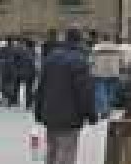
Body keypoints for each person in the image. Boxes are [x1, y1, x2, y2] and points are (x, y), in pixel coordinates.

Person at [34, 27, 97, 164]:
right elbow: (84, 92)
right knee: (67, 151)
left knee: (52, 150)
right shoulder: (80, 61)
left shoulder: (50, 57)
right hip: (71, 116)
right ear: (80, 40)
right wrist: (91, 114)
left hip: (49, 112)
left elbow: (41, 87)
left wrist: (38, 110)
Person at [90, 34, 124, 120]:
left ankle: (104, 109)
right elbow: (121, 61)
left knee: (101, 91)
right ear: (110, 39)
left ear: (102, 39)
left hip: (100, 72)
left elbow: (91, 61)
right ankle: (109, 108)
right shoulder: (116, 48)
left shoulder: (96, 48)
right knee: (111, 91)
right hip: (113, 72)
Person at [11, 38, 38, 110]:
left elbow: (14, 61)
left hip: (19, 71)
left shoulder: (18, 50)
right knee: (28, 89)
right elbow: (35, 63)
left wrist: (15, 69)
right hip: (30, 72)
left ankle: (14, 101)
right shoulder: (33, 52)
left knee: (16, 87)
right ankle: (28, 104)